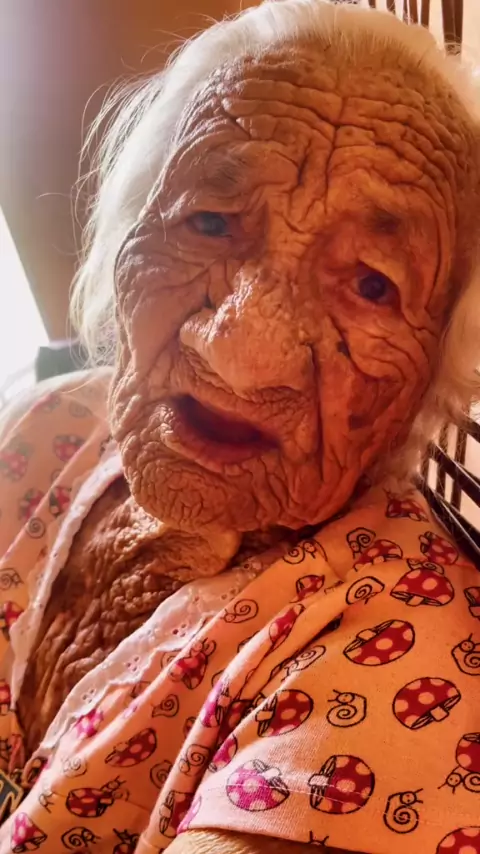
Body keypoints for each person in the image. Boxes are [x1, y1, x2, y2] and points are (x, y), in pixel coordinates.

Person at [0, 1, 479, 852]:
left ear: (438, 364)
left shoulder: (394, 667)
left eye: (372, 285)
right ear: (126, 232)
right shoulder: (45, 424)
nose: (240, 354)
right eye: (209, 222)